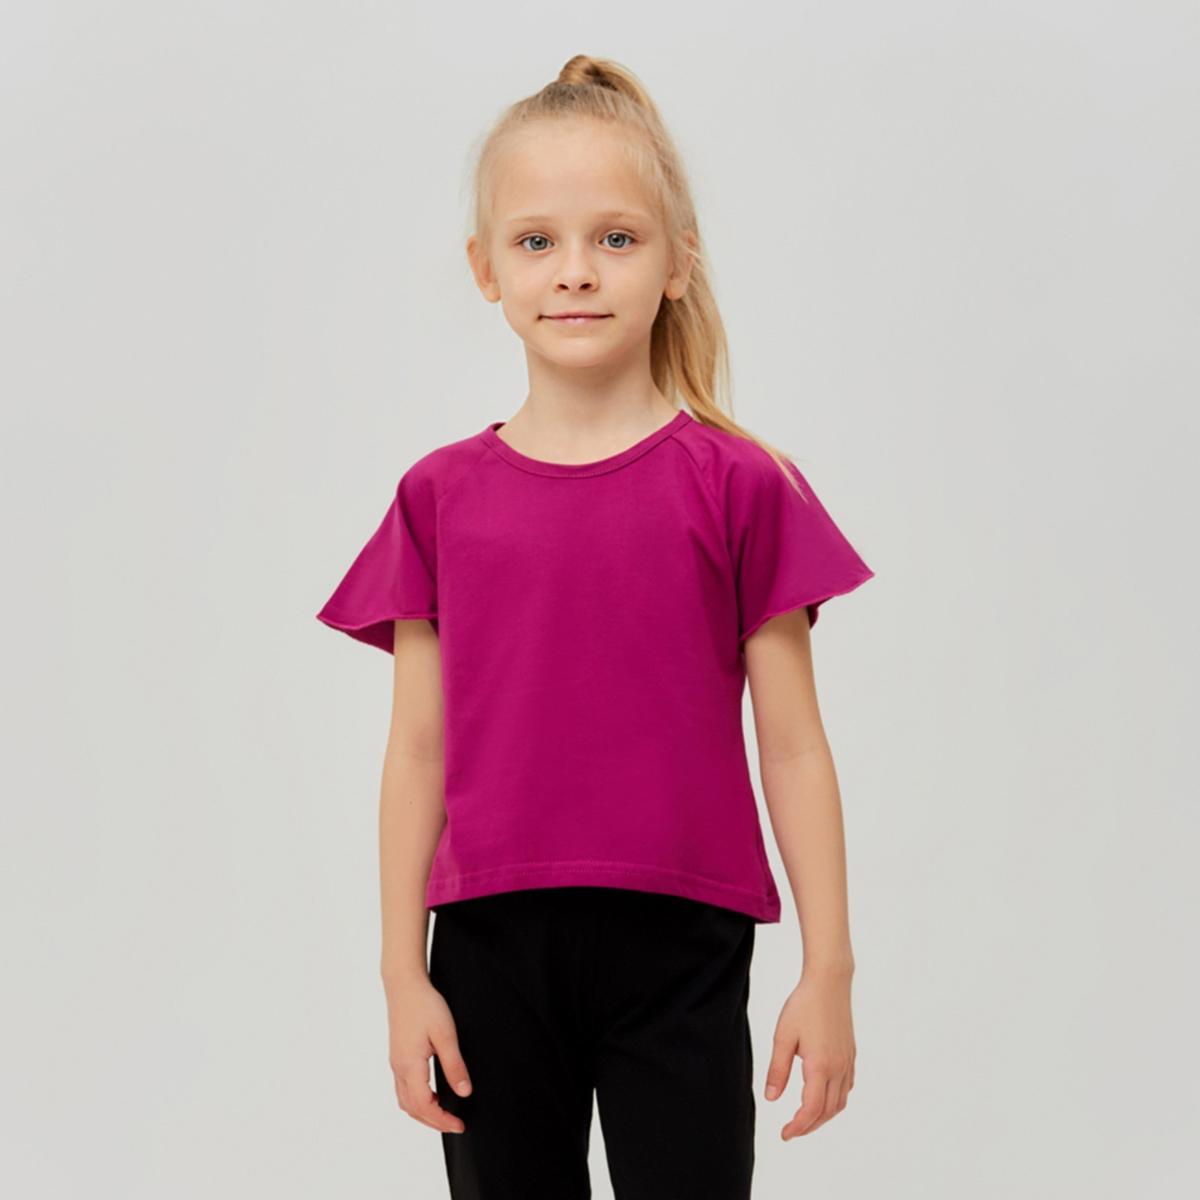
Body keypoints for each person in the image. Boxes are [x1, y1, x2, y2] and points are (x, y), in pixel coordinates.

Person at [315, 53, 875, 1200]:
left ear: (677, 263)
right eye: (537, 241)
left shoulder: (743, 486)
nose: (575, 270)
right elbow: (416, 751)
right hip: (488, 948)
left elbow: (794, 747)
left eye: (616, 238)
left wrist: (830, 970)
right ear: (486, 268)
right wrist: (400, 975)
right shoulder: (438, 497)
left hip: (683, 943)